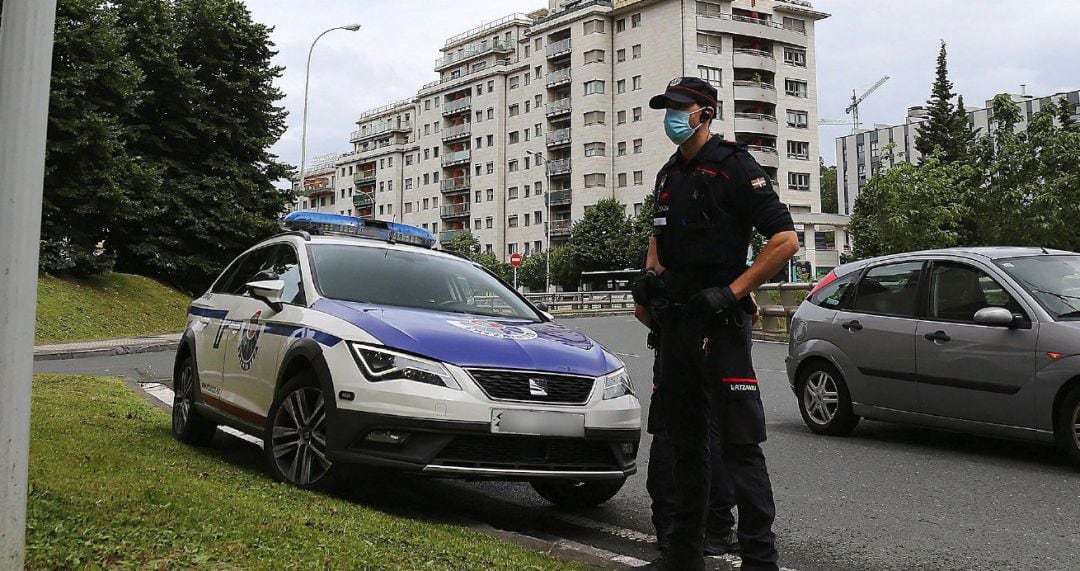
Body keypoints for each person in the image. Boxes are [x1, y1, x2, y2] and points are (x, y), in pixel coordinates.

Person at [632, 77, 799, 571]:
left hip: (720, 323)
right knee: (683, 443)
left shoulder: (734, 166)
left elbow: (784, 241)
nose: (671, 116)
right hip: (677, 326)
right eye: (667, 108)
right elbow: (658, 240)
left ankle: (759, 560)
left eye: (679, 108)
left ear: (705, 113)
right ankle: (683, 555)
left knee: (739, 444)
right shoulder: (669, 174)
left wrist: (731, 292)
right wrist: (648, 285)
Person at [646, 293, 765, 555]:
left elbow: (642, 308)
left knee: (667, 433)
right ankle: (717, 529)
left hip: (672, 345)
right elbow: (752, 312)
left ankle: (670, 529)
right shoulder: (722, 258)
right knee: (716, 436)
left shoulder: (666, 256)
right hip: (717, 345)